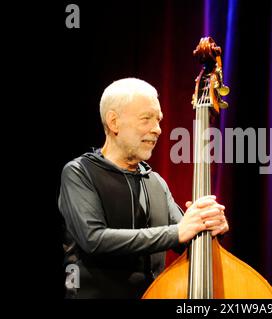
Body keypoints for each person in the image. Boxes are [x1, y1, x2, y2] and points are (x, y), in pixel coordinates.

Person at [58, 77, 229, 298]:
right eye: (146, 119)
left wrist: (210, 225)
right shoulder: (79, 172)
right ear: (114, 122)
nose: (157, 129)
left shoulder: (155, 182)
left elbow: (186, 236)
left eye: (158, 120)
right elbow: (94, 240)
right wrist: (178, 232)